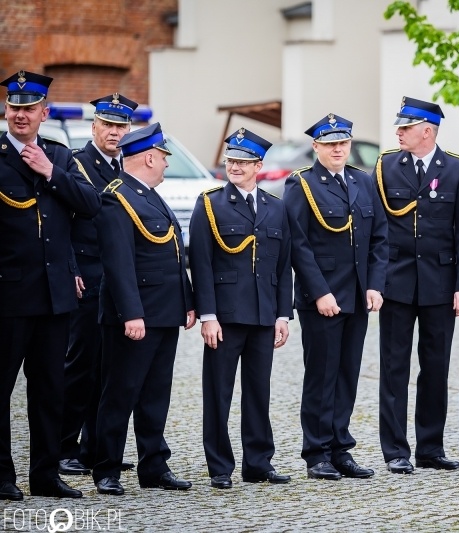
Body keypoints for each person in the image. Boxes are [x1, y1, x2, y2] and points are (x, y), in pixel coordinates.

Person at [0, 69, 100, 501]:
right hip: (7, 295)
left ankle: (45, 474)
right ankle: (2, 476)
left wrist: (48, 172)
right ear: (6, 110)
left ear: (44, 112)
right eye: (13, 107)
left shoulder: (60, 157)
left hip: (56, 295)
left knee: (49, 390)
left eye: (28, 109)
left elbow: (90, 205)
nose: (20, 116)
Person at [375, 97, 459, 474]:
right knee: (394, 367)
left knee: (435, 367)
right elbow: (378, 229)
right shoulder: (387, 165)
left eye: (406, 127)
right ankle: (396, 450)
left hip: (440, 282)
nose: (398, 133)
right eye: (399, 127)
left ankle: (430, 448)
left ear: (427, 131)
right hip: (397, 282)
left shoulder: (456, 169)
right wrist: (377, 280)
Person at [92, 123, 196, 495]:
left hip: (164, 313)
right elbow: (118, 263)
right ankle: (106, 469)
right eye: (164, 157)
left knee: (155, 395)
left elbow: (172, 255)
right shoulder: (116, 197)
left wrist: (187, 302)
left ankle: (154, 466)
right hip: (134, 318)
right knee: (120, 394)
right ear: (150, 157)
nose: (167, 164)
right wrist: (131, 314)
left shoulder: (150, 195)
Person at [284, 114, 388, 480]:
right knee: (322, 376)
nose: (338, 149)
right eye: (330, 144)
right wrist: (320, 293)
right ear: (316, 147)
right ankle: (317, 453)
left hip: (358, 296)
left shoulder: (362, 181)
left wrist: (375, 285)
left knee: (347, 375)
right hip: (323, 300)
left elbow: (379, 238)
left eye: (342, 143)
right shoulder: (302, 185)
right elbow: (298, 245)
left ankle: (340, 447)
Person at [189, 128, 293, 489]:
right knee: (218, 393)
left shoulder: (276, 207)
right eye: (231, 160)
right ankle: (219, 466)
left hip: (264, 315)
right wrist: (207, 316)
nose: (235, 166)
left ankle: (258, 463)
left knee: (258, 391)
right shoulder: (210, 204)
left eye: (243, 162)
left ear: (258, 165)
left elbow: (283, 266)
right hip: (226, 316)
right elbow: (200, 264)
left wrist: (282, 314)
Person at [59, 93, 139, 477]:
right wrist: (71, 265)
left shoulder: (130, 165)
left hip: (119, 278)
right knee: (81, 364)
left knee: (109, 367)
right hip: (88, 275)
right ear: (94, 127)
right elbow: (64, 221)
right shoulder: (78, 163)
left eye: (121, 126)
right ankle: (63, 446)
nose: (115, 132)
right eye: (108, 125)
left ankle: (95, 448)